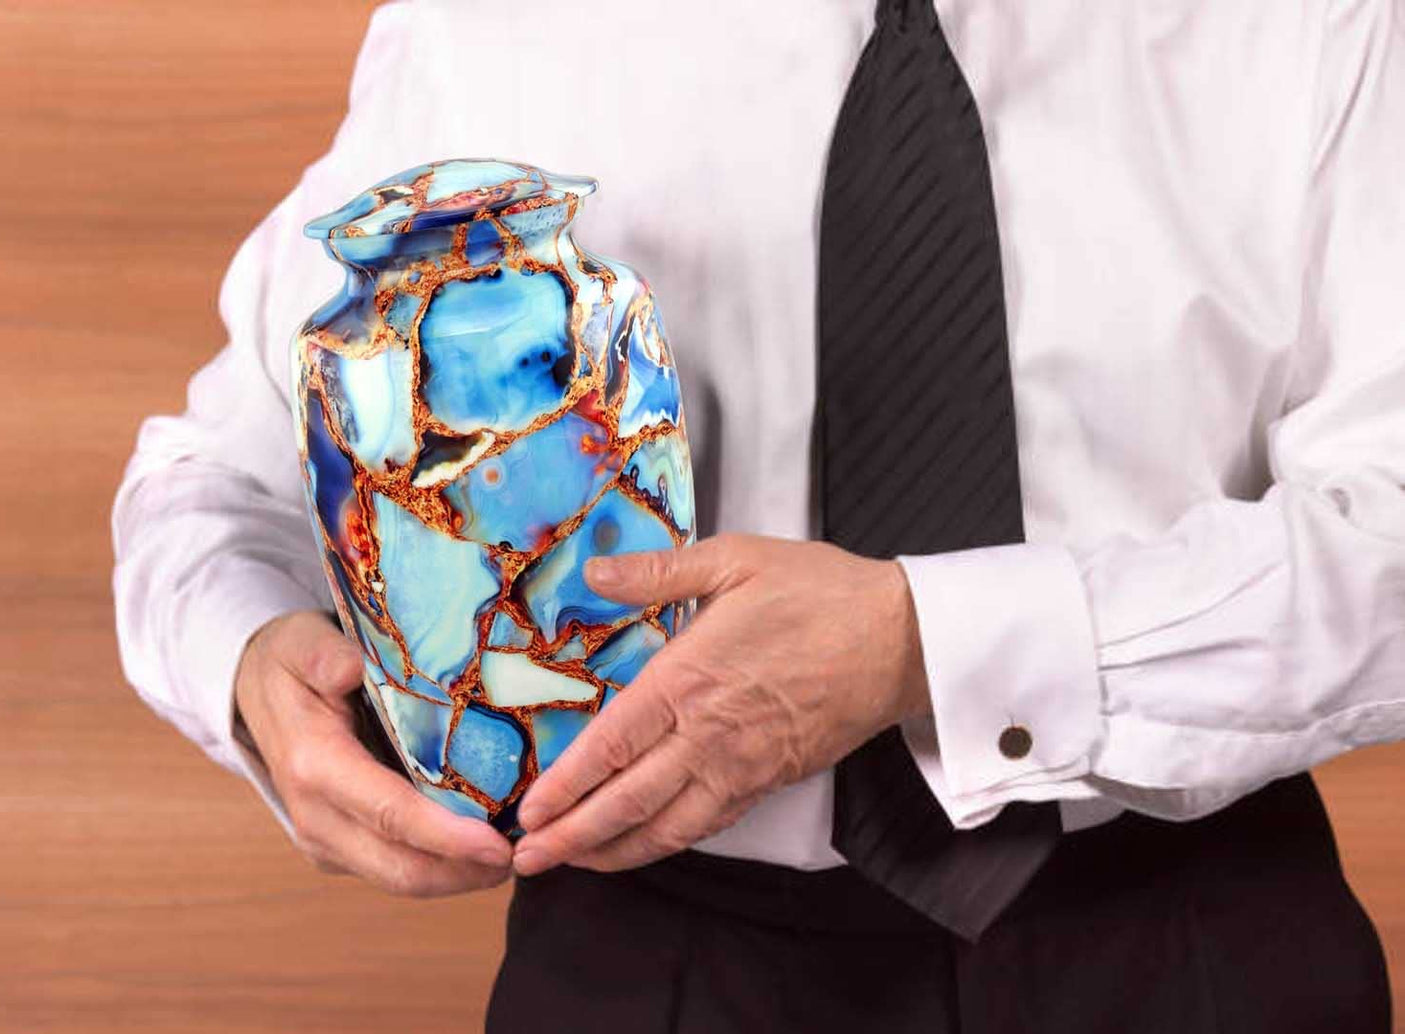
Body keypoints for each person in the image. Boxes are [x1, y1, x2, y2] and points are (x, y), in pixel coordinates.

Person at [111, 0, 1404, 1030]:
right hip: (653, 947)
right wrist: (246, 669)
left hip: (1195, 936)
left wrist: (926, 646)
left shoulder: (1321, 24)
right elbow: (221, 481)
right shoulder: (492, 25)